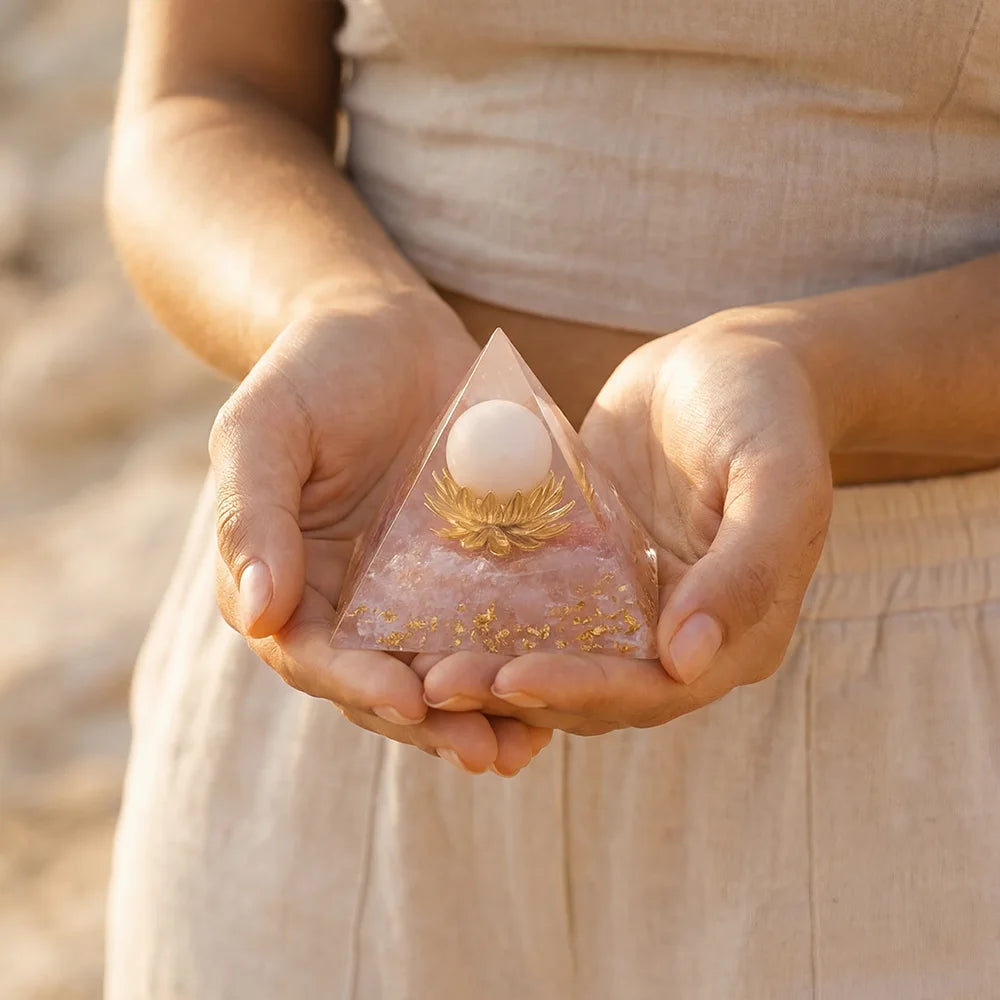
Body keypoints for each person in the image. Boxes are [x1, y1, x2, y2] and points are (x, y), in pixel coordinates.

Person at [103, 1, 1000, 996]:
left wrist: (828, 371)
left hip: (921, 716)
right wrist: (334, 301)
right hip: (348, 632)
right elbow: (207, 94)